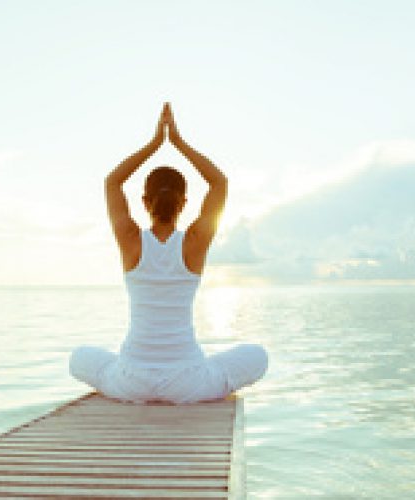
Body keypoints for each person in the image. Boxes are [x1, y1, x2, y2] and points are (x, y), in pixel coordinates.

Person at [69, 102, 268, 404]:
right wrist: (177, 142)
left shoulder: (130, 239)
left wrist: (154, 144)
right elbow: (219, 182)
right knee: (257, 355)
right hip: (187, 383)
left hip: (132, 380)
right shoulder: (195, 242)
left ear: (145, 201)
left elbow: (113, 181)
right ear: (184, 203)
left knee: (79, 358)